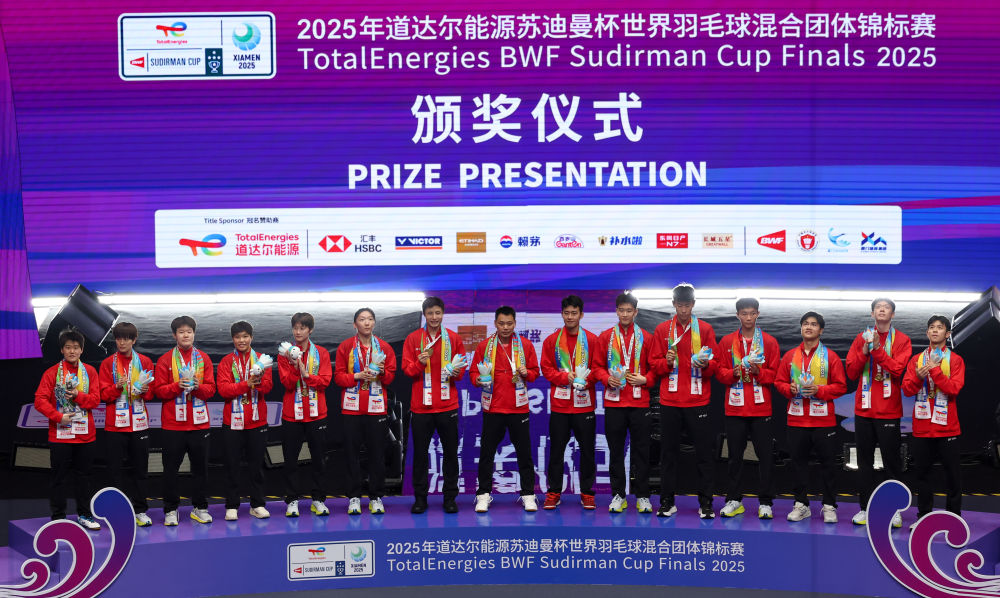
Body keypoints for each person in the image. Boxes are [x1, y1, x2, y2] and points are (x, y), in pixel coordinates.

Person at [650, 283, 718, 519]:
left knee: (704, 454)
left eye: (687, 306)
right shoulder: (662, 330)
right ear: (673, 305)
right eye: (679, 305)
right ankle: (667, 502)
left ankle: (706, 503)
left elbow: (716, 366)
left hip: (698, 401)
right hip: (670, 401)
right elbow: (654, 365)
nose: (683, 310)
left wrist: (706, 364)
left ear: (693, 305)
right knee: (668, 454)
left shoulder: (705, 329)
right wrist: (666, 362)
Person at [775, 312, 847, 523]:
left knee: (828, 465)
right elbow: (778, 382)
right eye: (805, 323)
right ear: (801, 328)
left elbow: (841, 386)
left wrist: (819, 390)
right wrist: (788, 389)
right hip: (797, 419)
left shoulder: (830, 357)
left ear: (821, 330)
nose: (809, 327)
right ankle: (801, 504)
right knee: (798, 464)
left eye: (814, 324)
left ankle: (829, 505)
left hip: (823, 420)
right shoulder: (790, 356)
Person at [845, 298, 911, 528]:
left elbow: (897, 369)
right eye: (878, 307)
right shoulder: (861, 338)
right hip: (863, 410)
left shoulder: (902, 340)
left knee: (892, 463)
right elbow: (851, 372)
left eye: (887, 307)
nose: (882, 310)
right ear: (872, 313)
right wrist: (864, 351)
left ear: (893, 314)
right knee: (864, 463)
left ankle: (895, 510)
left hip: (889, 411)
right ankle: (865, 508)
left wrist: (877, 349)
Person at [713, 298, 781, 519]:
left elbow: (776, 375)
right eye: (744, 313)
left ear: (758, 314)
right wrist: (733, 372)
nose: (748, 317)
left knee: (765, 457)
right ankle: (734, 500)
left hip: (761, 409)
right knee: (734, 457)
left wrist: (758, 372)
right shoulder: (727, 341)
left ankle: (766, 502)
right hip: (735, 409)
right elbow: (719, 372)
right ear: (738, 315)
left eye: (752, 313)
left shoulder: (769, 342)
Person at [469, 306, 540, 512]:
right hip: (493, 408)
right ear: (495, 324)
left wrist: (527, 372)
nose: (506, 327)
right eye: (501, 323)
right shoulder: (485, 346)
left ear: (515, 323)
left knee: (524, 454)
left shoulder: (525, 345)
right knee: (487, 454)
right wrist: (479, 379)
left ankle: (528, 494)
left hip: (518, 409)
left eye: (509, 323)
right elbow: (473, 373)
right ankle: (483, 494)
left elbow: (535, 373)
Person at [401, 297, 466, 514]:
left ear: (443, 314)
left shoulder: (453, 338)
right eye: (430, 313)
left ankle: (450, 498)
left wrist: (456, 371)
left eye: (438, 313)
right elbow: (407, 371)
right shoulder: (413, 339)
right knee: (420, 455)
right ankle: (420, 499)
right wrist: (419, 362)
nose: (434, 317)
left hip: (447, 406)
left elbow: (461, 372)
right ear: (424, 315)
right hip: (421, 408)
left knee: (450, 454)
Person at [593, 293, 655, 514]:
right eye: (621, 310)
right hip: (614, 403)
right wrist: (605, 378)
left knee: (642, 452)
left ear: (636, 312)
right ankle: (618, 495)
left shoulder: (647, 338)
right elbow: (596, 366)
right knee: (616, 451)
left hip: (640, 403)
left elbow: (655, 369)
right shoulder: (605, 337)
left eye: (629, 310)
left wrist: (645, 379)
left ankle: (643, 496)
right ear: (616, 311)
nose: (625, 314)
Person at [34, 328, 101, 530]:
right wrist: (58, 417)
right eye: (68, 347)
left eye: (76, 347)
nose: (72, 351)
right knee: (58, 478)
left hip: (85, 435)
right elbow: (40, 400)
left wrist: (78, 395)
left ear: (82, 350)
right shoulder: (52, 373)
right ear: (62, 350)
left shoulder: (90, 372)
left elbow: (95, 400)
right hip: (60, 434)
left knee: (84, 477)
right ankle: (58, 517)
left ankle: (84, 515)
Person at [902, 315, 965, 526]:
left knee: (952, 477)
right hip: (922, 428)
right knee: (922, 476)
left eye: (940, 327)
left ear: (947, 334)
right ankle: (924, 517)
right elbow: (907, 390)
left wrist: (935, 370)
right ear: (927, 332)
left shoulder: (955, 360)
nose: (935, 330)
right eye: (931, 327)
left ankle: (953, 519)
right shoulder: (916, 360)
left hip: (947, 428)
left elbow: (953, 389)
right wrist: (918, 377)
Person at [153, 316, 216, 526]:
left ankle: (200, 508)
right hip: (173, 426)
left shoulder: (204, 359)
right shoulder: (165, 360)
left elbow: (211, 390)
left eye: (189, 331)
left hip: (199, 425)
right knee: (170, 470)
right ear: (174, 335)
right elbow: (158, 391)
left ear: (194, 334)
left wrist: (198, 386)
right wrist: (177, 386)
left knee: (200, 469)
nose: (185, 335)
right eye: (181, 332)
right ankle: (171, 509)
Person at [334, 308, 398, 515]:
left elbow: (391, 378)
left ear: (374, 323)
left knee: (377, 454)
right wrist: (357, 376)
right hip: (351, 409)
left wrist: (382, 372)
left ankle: (376, 497)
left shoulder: (384, 348)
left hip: (376, 409)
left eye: (370, 319)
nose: (367, 323)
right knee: (351, 454)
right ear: (355, 324)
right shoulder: (346, 347)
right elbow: (338, 377)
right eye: (362, 319)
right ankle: (353, 497)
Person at [540, 295, 600, 510]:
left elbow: (599, 368)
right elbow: (546, 368)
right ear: (562, 314)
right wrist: (564, 378)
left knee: (587, 451)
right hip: (560, 406)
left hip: (585, 405)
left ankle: (587, 493)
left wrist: (585, 380)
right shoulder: (552, 341)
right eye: (566, 313)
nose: (570, 317)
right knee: (556, 451)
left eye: (574, 313)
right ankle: (554, 492)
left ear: (581, 315)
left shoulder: (592, 340)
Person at [98, 322, 155, 527]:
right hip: (115, 426)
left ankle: (140, 510)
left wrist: (144, 391)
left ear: (134, 340)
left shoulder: (145, 361)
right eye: (119, 338)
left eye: (126, 338)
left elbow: (152, 394)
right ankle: (116, 512)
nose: (122, 342)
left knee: (140, 469)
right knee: (115, 471)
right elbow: (103, 396)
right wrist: (116, 387)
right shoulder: (107, 364)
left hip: (139, 424)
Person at [216, 321, 274, 521]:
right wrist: (246, 384)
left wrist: (259, 381)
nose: (242, 340)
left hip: (257, 422)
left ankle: (257, 504)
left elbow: (268, 388)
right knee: (232, 466)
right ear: (233, 339)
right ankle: (232, 505)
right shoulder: (226, 362)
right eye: (237, 337)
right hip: (232, 422)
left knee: (256, 466)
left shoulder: (263, 360)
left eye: (245, 336)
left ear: (251, 337)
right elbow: (223, 390)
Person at [277, 312, 332, 518]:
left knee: (319, 459)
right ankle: (292, 500)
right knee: (291, 460)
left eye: (302, 328)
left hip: (317, 414)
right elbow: (287, 384)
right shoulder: (284, 354)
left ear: (310, 330)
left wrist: (307, 375)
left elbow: (325, 381)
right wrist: (294, 367)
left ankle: (318, 499)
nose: (298, 332)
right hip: (292, 415)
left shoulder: (322, 353)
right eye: (295, 328)